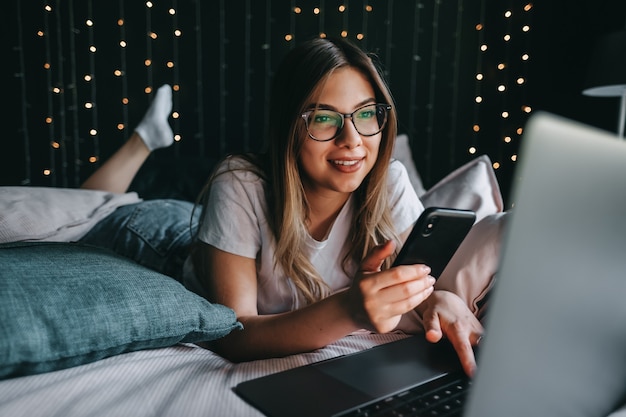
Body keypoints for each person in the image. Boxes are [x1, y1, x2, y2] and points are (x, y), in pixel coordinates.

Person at [182, 37, 485, 377]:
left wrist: (440, 300)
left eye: (367, 114)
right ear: (289, 126)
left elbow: (414, 284)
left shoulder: (388, 181)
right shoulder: (239, 184)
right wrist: (349, 310)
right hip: (177, 244)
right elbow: (234, 337)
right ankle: (145, 141)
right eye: (324, 118)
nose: (352, 140)